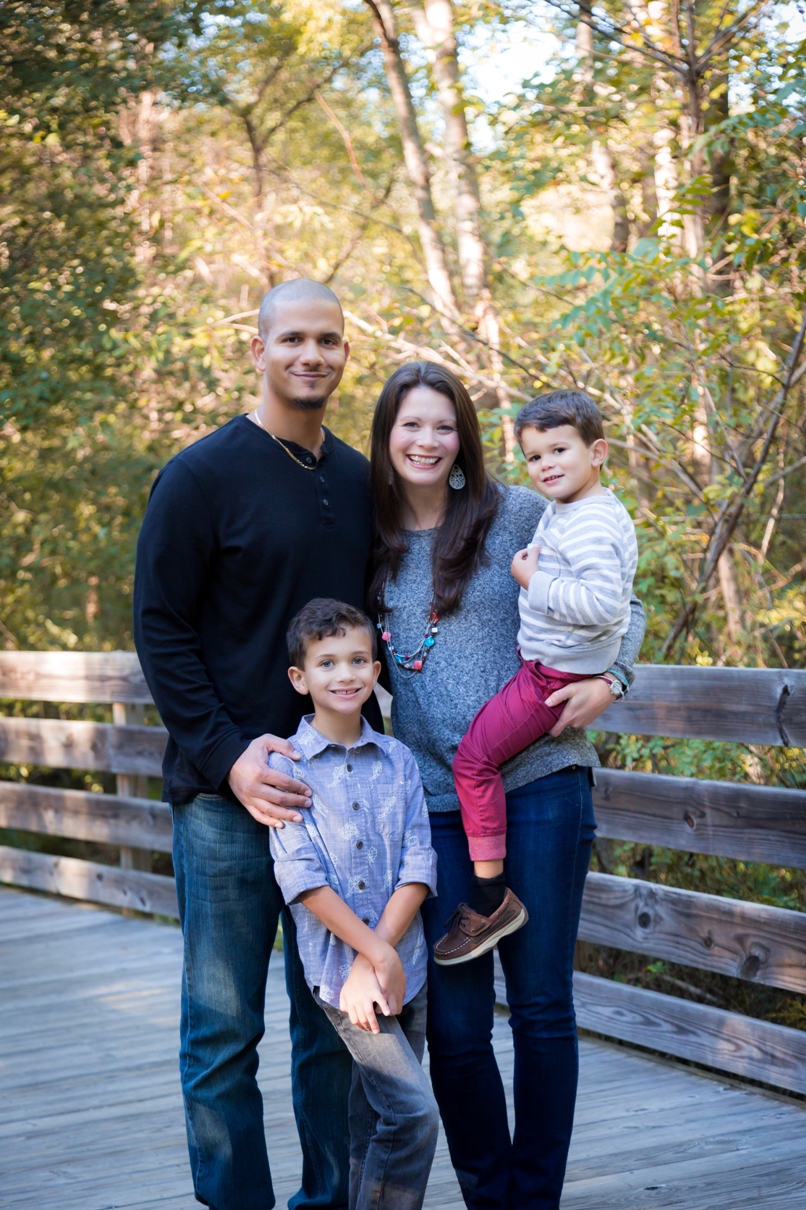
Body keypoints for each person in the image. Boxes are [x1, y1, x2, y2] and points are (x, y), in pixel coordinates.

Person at [369, 361, 645, 1210]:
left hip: (542, 785)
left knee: (540, 1008)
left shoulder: (521, 512)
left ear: (463, 441)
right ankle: (488, 1193)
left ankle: (536, 1200)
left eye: (443, 425)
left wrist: (616, 681)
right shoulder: (369, 545)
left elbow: (619, 604)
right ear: (386, 439)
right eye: (409, 425)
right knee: (454, 1028)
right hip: (435, 804)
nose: (426, 440)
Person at [133, 279, 382, 1210]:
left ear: (344, 352)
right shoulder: (200, 475)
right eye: (293, 339)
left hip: (338, 801)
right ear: (258, 347)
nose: (310, 355)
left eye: (328, 340)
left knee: (330, 1028)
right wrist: (231, 755)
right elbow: (161, 629)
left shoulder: (360, 480)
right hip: (226, 802)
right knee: (221, 1029)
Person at [434, 390, 639, 964]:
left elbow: (614, 607)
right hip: (543, 670)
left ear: (597, 451)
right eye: (533, 456)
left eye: (559, 450)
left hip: (552, 682)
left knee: (474, 759)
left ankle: (490, 894)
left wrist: (612, 678)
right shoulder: (568, 508)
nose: (546, 465)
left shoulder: (584, 519)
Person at [268, 598, 439, 1210]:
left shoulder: (398, 759)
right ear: (300, 678)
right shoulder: (283, 766)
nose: (347, 675)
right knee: (414, 1114)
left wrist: (384, 954)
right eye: (328, 662)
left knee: (379, 1121)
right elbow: (303, 879)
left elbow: (419, 862)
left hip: (405, 966)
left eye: (360, 660)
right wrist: (367, 958)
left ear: (376, 668)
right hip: (343, 978)